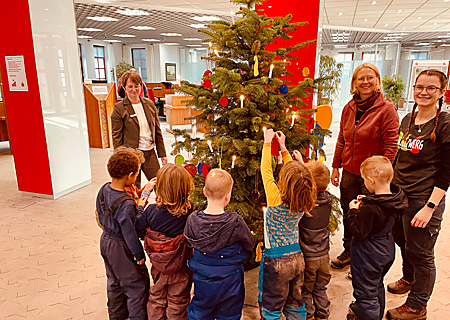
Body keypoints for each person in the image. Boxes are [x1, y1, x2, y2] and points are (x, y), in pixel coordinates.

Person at [386, 69, 450, 319]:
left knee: (422, 253)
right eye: (419, 87)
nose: (424, 92)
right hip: (401, 194)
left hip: (423, 198)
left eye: (431, 88)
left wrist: (429, 207)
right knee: (404, 243)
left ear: (441, 92)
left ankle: (417, 306)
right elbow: (399, 159)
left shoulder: (445, 124)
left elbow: (446, 172)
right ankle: (409, 278)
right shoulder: (407, 119)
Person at [330, 62, 400, 269]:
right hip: (350, 173)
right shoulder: (349, 108)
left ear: (377, 81)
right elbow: (342, 138)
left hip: (372, 176)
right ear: (354, 83)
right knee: (349, 212)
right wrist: (335, 166)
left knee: (370, 217)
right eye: (361, 78)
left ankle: (365, 261)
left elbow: (391, 145)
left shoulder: (387, 110)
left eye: (370, 77)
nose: (365, 82)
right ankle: (349, 251)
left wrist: (382, 178)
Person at [259, 129, 317, 320]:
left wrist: (268, 143)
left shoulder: (275, 200)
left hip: (276, 261)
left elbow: (266, 171)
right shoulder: (305, 200)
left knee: (271, 307)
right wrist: (283, 147)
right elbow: (301, 176)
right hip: (297, 259)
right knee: (295, 302)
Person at [183, 169, 255, 320]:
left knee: (200, 311)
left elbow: (188, 242)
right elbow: (250, 243)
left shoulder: (192, 220)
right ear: (228, 195)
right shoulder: (235, 222)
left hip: (203, 279)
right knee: (230, 313)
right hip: (231, 280)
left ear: (204, 191)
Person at [345, 156, 407, 320]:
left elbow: (358, 232)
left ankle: (369, 314)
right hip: (385, 250)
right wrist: (367, 201)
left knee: (366, 293)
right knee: (376, 285)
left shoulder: (370, 208)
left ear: (371, 181)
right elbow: (380, 209)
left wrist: (353, 211)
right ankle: (375, 313)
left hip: (368, 255)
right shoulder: (394, 199)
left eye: (364, 179)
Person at [95, 147, 150, 320]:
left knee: (114, 283)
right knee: (136, 286)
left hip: (105, 241)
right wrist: (139, 254)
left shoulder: (104, 189)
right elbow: (130, 232)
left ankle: (116, 316)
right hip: (121, 247)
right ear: (130, 175)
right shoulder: (126, 204)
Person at [136, 164, 194, 320]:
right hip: (181, 266)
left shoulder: (150, 211)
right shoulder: (189, 211)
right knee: (178, 300)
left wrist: (142, 203)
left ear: (159, 188)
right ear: (186, 189)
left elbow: (139, 229)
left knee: (156, 298)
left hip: (158, 266)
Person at [111, 71, 167, 189]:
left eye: (137, 86)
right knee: (133, 188)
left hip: (149, 152)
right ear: (125, 88)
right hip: (131, 155)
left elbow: (157, 131)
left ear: (141, 86)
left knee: (160, 185)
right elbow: (116, 136)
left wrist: (162, 153)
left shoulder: (150, 104)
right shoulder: (119, 108)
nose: (134, 89)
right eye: (130, 86)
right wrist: (119, 159)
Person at [299, 160, 333, 320]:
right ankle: (323, 314)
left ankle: (310, 315)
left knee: (306, 289)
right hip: (324, 256)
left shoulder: (305, 204)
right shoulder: (328, 200)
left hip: (309, 258)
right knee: (320, 287)